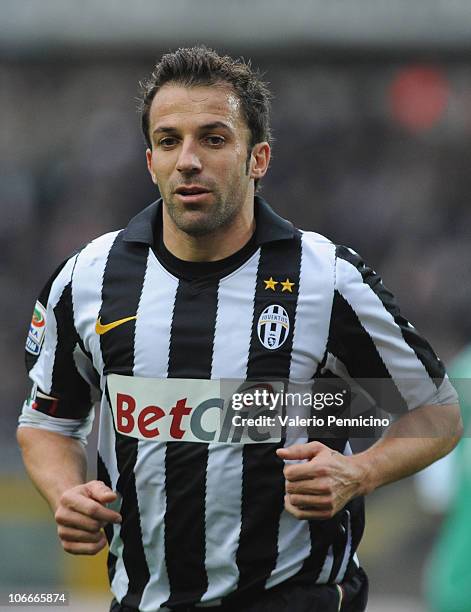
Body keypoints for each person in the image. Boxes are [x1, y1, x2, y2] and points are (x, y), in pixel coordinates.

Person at [17, 46, 461, 612]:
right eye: (169, 141)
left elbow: (437, 414)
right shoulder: (86, 280)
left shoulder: (327, 280)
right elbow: (47, 423)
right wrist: (66, 494)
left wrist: (358, 472)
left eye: (214, 138)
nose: (188, 160)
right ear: (149, 160)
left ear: (259, 158)